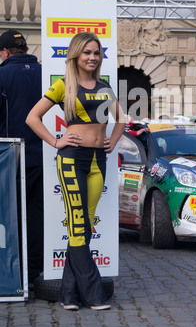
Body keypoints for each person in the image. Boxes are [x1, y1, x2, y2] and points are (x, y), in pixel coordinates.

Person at [26, 32, 125, 311]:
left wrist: (113, 140)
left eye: (96, 53)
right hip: (71, 160)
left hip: (97, 162)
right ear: (76, 56)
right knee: (79, 223)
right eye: (87, 53)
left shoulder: (105, 86)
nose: (92, 57)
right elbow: (32, 117)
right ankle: (94, 294)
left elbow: (122, 120)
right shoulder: (63, 86)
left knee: (83, 225)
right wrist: (56, 141)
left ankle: (69, 294)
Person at [0, 29, 43, 284]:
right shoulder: (47, 74)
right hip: (42, 157)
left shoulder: (2, 74)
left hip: (10, 158)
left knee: (10, 216)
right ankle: (34, 271)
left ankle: (13, 273)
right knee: (37, 216)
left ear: (5, 52)